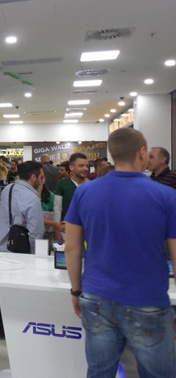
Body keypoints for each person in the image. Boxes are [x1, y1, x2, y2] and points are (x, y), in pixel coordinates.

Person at [65, 128, 176, 378]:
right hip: (148, 300)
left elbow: (72, 247)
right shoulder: (167, 196)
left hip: (96, 297)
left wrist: (76, 290)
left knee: (99, 372)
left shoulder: (84, 192)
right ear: (142, 152)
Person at [0, 161, 45, 337]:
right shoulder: (32, 199)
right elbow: (36, 232)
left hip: (4, 245)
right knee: (19, 289)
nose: (42, 181)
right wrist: (36, 258)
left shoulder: (8, 190)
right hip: (21, 252)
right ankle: (16, 326)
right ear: (33, 177)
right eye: (41, 177)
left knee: (2, 287)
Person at [54, 152, 89, 222]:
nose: (85, 169)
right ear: (71, 167)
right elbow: (57, 207)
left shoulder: (92, 185)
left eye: (87, 166)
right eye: (81, 166)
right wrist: (57, 225)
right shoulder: (62, 184)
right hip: (67, 225)